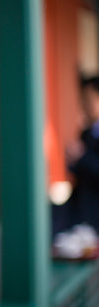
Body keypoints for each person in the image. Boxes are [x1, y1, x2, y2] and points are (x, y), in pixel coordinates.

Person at [53, 76, 99, 234]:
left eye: (89, 99)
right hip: (81, 207)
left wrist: (83, 157)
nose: (84, 105)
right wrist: (72, 160)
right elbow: (78, 171)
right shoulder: (86, 132)